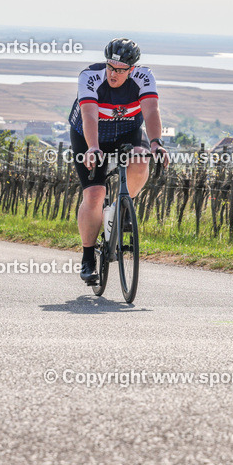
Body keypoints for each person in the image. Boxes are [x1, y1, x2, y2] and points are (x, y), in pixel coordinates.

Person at [69, 38, 169, 285]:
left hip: (126, 132)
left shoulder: (144, 78)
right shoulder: (90, 77)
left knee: (140, 160)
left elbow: (151, 110)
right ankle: (88, 257)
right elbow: (89, 114)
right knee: (94, 195)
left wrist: (155, 142)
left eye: (120, 69)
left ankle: (123, 205)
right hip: (90, 134)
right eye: (110, 67)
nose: (113, 73)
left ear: (131, 69)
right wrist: (93, 147)